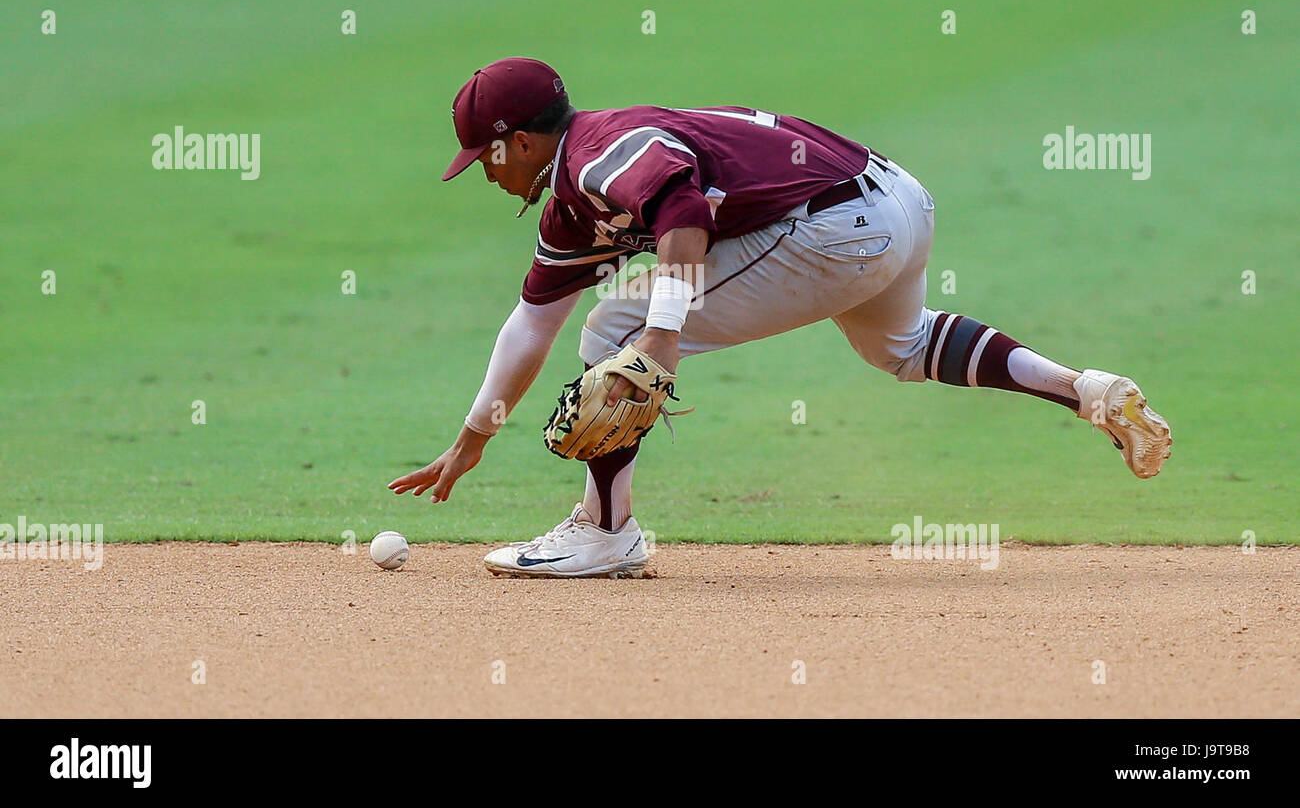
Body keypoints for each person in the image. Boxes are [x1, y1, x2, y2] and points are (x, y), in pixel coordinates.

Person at [388, 57, 1171, 578]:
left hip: (835, 225)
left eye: (483, 156)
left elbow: (684, 212)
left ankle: (605, 534)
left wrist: (660, 339)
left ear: (519, 142)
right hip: (890, 198)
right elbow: (532, 322)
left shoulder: (598, 153)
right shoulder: (571, 202)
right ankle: (1086, 390)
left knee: (619, 332)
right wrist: (473, 438)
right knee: (902, 346)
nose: (482, 172)